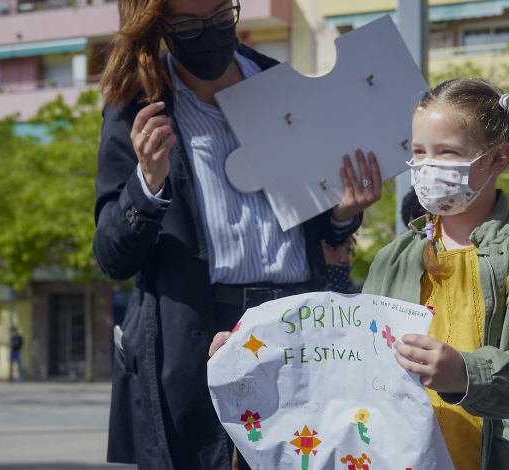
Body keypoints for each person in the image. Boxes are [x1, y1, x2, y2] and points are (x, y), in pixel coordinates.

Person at [93, 1, 380, 468]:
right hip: (197, 336)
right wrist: (147, 183)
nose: (209, 33)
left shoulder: (281, 84)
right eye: (189, 24)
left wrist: (344, 213)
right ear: (161, 25)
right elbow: (111, 257)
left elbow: (320, 222)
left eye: (222, 16)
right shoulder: (137, 107)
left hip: (295, 329)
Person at [361, 78, 509, 469]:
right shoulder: (393, 258)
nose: (427, 166)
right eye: (419, 152)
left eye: (447, 152)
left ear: (498, 158)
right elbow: (359, 356)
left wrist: (466, 374)